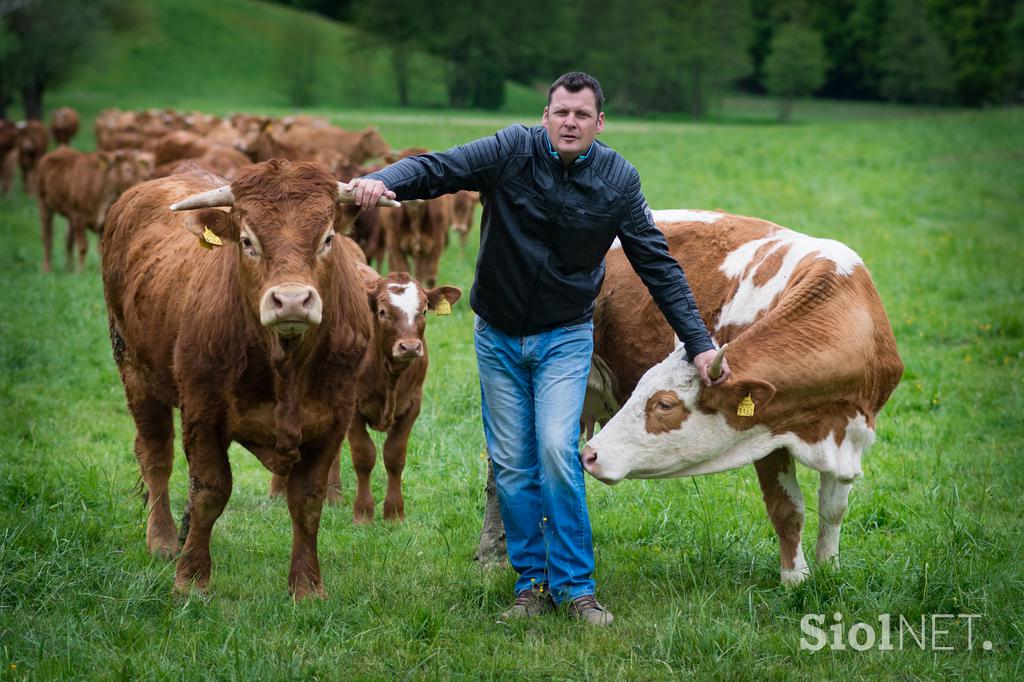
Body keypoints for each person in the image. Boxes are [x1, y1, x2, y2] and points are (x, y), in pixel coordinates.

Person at [349, 72, 730, 626]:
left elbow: (656, 263)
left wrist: (698, 343)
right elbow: (441, 167)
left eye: (581, 115)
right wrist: (383, 180)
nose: (569, 122)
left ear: (600, 123)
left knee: (556, 449)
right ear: (545, 116)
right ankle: (530, 584)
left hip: (564, 336)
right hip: (497, 335)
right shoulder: (511, 150)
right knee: (512, 463)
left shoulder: (618, 180)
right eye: (560, 112)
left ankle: (577, 589)